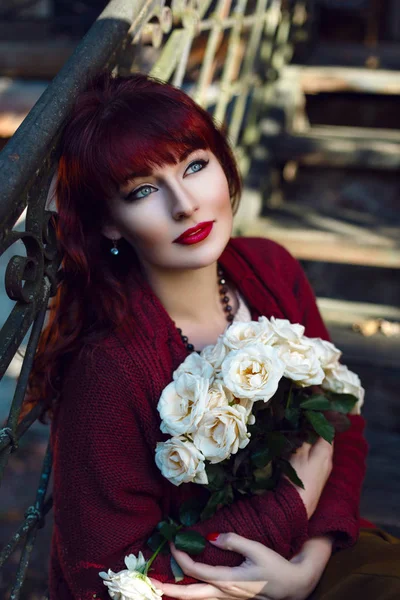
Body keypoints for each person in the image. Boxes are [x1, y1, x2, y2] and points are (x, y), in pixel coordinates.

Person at [25, 72, 399, 600]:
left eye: (195, 166)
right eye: (144, 190)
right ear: (110, 222)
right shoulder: (109, 368)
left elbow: (342, 424)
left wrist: (307, 564)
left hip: (309, 553)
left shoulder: (270, 267)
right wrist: (285, 510)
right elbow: (106, 577)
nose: (185, 204)